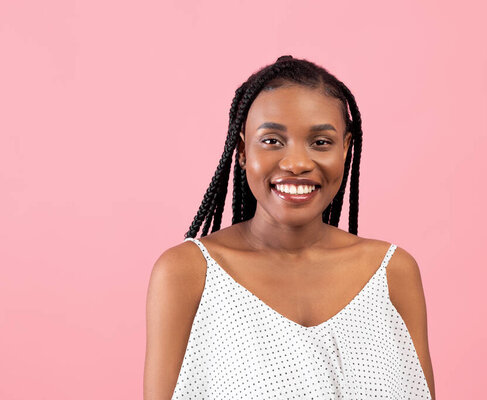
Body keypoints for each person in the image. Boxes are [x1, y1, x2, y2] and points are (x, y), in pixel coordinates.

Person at [144, 56, 435, 399]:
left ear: (346, 147)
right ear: (240, 149)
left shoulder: (393, 273)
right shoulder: (187, 274)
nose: (297, 163)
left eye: (321, 142)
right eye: (272, 141)